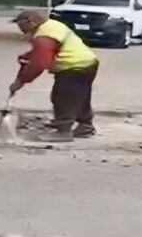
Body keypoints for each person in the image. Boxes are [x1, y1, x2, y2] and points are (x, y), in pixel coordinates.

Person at [9, 10, 100, 142]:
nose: (20, 28)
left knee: (63, 97)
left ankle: (63, 131)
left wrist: (21, 81)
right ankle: (85, 126)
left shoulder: (44, 36)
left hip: (73, 65)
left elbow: (39, 64)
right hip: (87, 62)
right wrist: (29, 56)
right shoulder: (51, 27)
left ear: (30, 22)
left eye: (20, 24)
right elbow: (48, 50)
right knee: (79, 96)